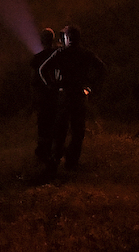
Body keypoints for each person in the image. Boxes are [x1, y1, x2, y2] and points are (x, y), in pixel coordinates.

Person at [38, 25, 106, 174]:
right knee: (77, 131)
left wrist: (51, 85)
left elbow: (42, 69)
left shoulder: (61, 53)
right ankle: (71, 162)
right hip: (79, 96)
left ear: (67, 38)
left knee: (60, 130)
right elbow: (101, 68)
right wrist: (90, 87)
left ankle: (55, 161)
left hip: (64, 95)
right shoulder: (85, 54)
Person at [29, 28, 58, 165]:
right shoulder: (59, 54)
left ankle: (43, 151)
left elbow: (34, 80)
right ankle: (54, 150)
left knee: (43, 124)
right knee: (55, 122)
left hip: (43, 97)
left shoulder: (37, 59)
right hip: (57, 95)